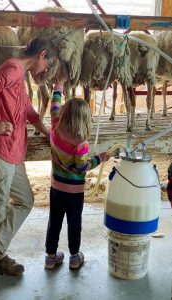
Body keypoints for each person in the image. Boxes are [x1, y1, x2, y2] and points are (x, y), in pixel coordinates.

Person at [0, 37, 57, 281]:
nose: (47, 69)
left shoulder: (18, 74)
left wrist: (47, 132)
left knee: (25, 200)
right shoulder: (13, 69)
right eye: (48, 63)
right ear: (42, 54)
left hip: (13, 152)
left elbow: (27, 110)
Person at [44, 81, 111, 269]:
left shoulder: (56, 127)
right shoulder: (81, 144)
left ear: (65, 114)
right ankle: (74, 257)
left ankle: (50, 257)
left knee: (54, 221)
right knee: (74, 223)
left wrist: (58, 88)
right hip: (74, 192)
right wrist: (100, 158)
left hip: (56, 187)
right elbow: (82, 168)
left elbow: (54, 107)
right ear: (84, 121)